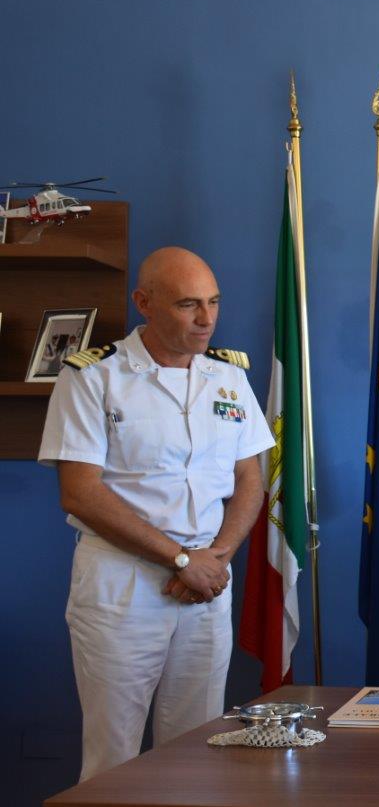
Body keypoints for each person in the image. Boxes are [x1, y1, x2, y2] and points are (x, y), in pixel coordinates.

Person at [38, 247, 275, 780]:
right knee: (114, 759)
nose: (206, 318)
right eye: (188, 304)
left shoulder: (229, 377)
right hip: (123, 584)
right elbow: (79, 493)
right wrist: (180, 559)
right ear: (143, 303)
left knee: (197, 752)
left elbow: (249, 481)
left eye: (214, 302)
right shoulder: (94, 377)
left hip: (207, 584)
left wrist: (214, 560)